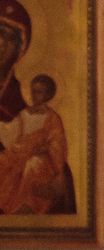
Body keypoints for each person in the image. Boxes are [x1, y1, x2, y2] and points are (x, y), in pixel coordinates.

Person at [0, 73, 74, 215]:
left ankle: (25, 205)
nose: (34, 95)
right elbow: (11, 132)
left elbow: (58, 143)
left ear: (48, 95)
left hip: (43, 159)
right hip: (19, 152)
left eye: (39, 92)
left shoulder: (52, 118)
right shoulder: (24, 113)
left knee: (32, 165)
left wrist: (46, 148)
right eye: (33, 91)